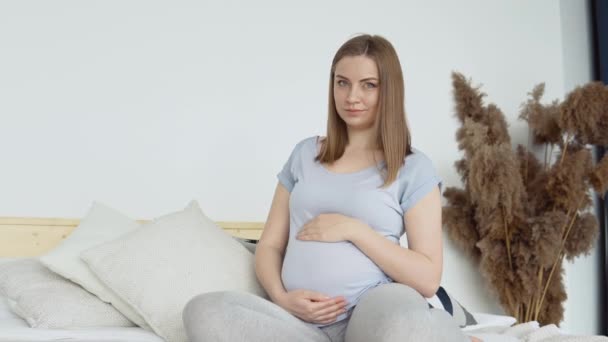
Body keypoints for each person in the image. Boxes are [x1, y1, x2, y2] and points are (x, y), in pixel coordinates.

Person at [182, 34, 480, 342]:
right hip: (299, 321)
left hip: (373, 307)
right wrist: (281, 296)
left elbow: (428, 279)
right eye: (342, 83)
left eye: (368, 84)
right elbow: (270, 245)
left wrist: (355, 230)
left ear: (389, 90)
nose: (352, 96)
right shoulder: (304, 155)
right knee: (203, 311)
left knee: (404, 325)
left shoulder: (413, 167)